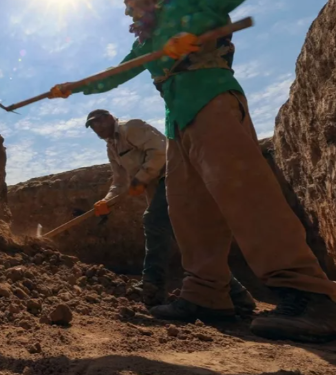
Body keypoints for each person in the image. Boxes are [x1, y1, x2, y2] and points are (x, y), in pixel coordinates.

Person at [52, 0, 336, 342]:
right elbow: (117, 73)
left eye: (135, 4)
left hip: (211, 99)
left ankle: (309, 296)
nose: (132, 13)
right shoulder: (146, 41)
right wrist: (73, 86)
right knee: (188, 209)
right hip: (177, 121)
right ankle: (207, 295)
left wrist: (192, 26)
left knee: (245, 193)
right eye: (129, 9)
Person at [85, 109, 256, 312]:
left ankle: (152, 286)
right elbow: (120, 181)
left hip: (175, 178)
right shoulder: (112, 147)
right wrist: (107, 201)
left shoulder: (131, 127)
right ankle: (239, 296)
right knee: (187, 242)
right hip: (159, 188)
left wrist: (141, 177)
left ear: (108, 118)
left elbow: (160, 151)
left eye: (98, 123)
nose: (96, 129)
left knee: (153, 222)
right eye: (92, 126)